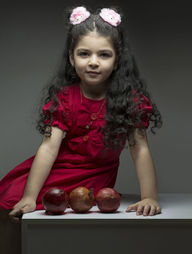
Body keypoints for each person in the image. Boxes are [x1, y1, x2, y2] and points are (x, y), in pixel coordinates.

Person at [0, 5, 163, 249]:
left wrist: (149, 196)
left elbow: (139, 149)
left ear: (117, 58)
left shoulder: (131, 100)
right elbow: (48, 148)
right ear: (71, 57)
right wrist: (30, 196)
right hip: (60, 166)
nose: (93, 62)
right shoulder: (64, 97)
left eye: (104, 55)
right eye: (84, 54)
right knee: (10, 199)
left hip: (96, 174)